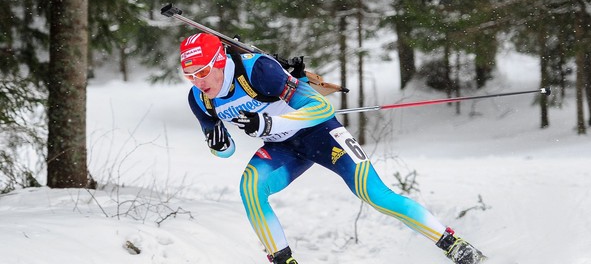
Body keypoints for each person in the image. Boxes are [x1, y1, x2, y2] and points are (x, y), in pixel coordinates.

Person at [179, 32, 486, 264]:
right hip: (283, 149)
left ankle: (452, 244)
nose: (198, 81)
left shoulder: (258, 70)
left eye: (203, 72)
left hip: (321, 135)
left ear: (219, 61)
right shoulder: (200, 99)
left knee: (374, 195)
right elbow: (224, 149)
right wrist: (218, 144)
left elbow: (320, 107)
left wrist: (270, 124)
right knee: (250, 188)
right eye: (190, 75)